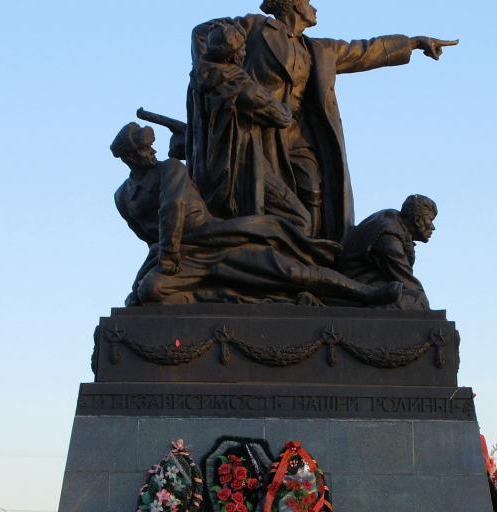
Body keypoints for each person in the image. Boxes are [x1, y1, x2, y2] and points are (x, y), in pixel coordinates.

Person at [188, 0, 454, 242]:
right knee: (257, 195)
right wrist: (218, 74)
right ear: (295, 6)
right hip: (258, 128)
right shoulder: (255, 26)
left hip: (299, 133)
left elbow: (364, 51)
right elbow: (201, 33)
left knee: (314, 189)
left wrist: (413, 43)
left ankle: (308, 255)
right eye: (308, 2)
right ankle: (261, 249)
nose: (314, 7)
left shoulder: (319, 50)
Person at [111, 122, 401, 306]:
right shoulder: (122, 196)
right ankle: (226, 296)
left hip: (214, 240)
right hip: (182, 256)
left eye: (150, 147)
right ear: (129, 157)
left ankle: (364, 293)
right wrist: (159, 263)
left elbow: (172, 210)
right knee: (149, 291)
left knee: (287, 270)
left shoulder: (170, 169)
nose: (151, 152)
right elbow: (148, 236)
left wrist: (167, 257)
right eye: (144, 149)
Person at [190, 21, 312, 235]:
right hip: (240, 167)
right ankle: (255, 247)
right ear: (232, 56)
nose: (245, 53)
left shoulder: (198, 78)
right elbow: (281, 117)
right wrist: (286, 105)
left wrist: (223, 26)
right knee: (300, 219)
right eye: (242, 49)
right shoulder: (237, 84)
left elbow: (198, 32)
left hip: (206, 173)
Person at [336, 194, 437, 310]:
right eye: (430, 220)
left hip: (367, 281)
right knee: (417, 303)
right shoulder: (390, 236)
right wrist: (424, 304)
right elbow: (407, 281)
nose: (433, 227)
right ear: (417, 219)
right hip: (358, 285)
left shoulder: (394, 220)